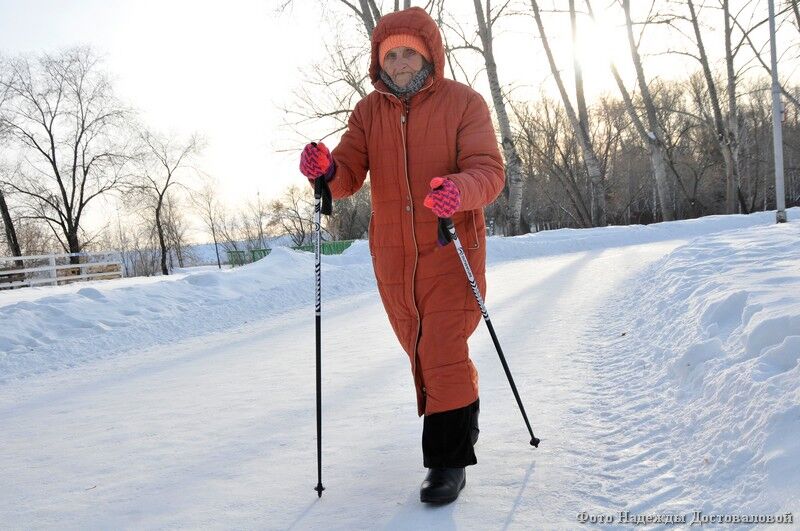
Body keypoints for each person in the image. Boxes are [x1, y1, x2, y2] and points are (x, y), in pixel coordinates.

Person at [299, 6, 504, 504]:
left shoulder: (465, 103)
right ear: (379, 61)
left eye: (410, 51)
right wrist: (325, 170)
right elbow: (348, 174)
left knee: (440, 349)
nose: (401, 62)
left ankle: (446, 460)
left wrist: (458, 189)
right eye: (391, 54)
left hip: (448, 247)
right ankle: (463, 422)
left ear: (429, 53)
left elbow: (489, 171)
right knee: (423, 347)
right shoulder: (369, 113)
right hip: (393, 256)